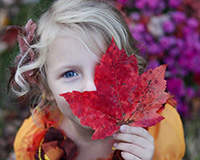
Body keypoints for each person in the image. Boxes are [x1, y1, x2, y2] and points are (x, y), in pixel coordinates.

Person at [10, 0, 185, 159]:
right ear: (46, 87)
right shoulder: (35, 143)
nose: (92, 87)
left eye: (106, 68)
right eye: (70, 74)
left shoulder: (159, 134)